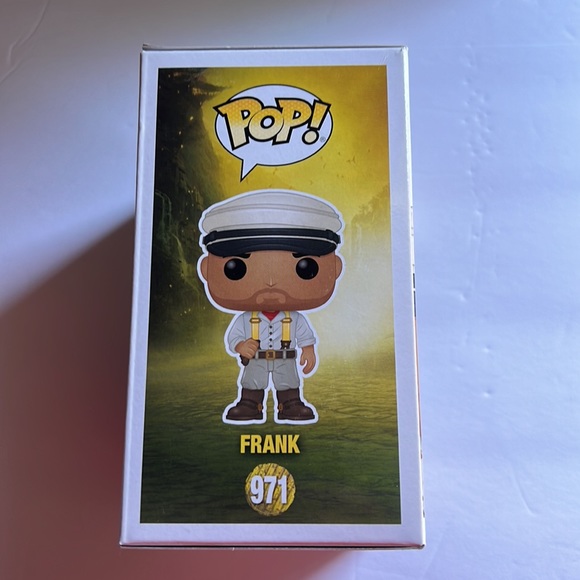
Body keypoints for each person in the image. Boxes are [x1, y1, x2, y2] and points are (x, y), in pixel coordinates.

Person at [197, 189, 343, 425]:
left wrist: (308, 350)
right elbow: (234, 337)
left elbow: (305, 336)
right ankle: (249, 404)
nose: (271, 283)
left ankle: (290, 403)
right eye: (236, 268)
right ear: (205, 270)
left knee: (289, 382)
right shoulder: (246, 319)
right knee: (252, 382)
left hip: (286, 358)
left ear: (336, 268)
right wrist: (240, 345)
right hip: (256, 360)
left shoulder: (295, 319)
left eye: (305, 267)